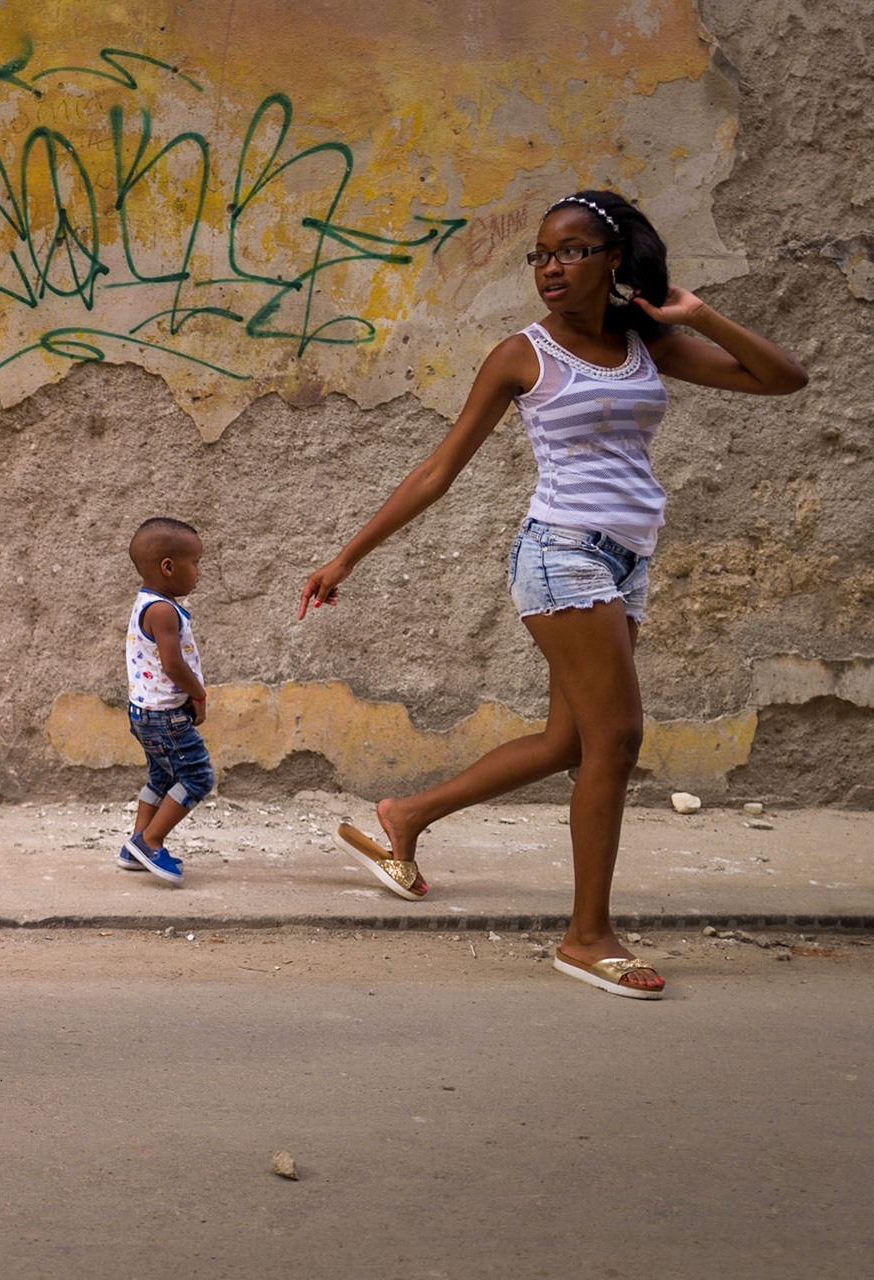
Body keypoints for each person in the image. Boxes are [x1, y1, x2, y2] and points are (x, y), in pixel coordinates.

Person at [298, 190, 807, 999]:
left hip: (626, 559)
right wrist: (347, 557)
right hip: (561, 553)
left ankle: (405, 818)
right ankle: (586, 936)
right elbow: (439, 468)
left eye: (570, 251)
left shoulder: (651, 346)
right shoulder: (522, 354)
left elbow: (784, 379)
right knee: (619, 740)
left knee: (571, 743)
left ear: (614, 260)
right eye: (539, 254)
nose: (549, 268)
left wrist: (700, 317)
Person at [118, 517, 214, 886]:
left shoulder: (149, 602)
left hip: (145, 712)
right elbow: (173, 664)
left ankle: (134, 848)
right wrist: (199, 694)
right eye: (196, 562)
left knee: (162, 776)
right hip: (164, 716)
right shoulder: (162, 610)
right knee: (196, 776)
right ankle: (152, 840)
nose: (199, 572)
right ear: (168, 567)